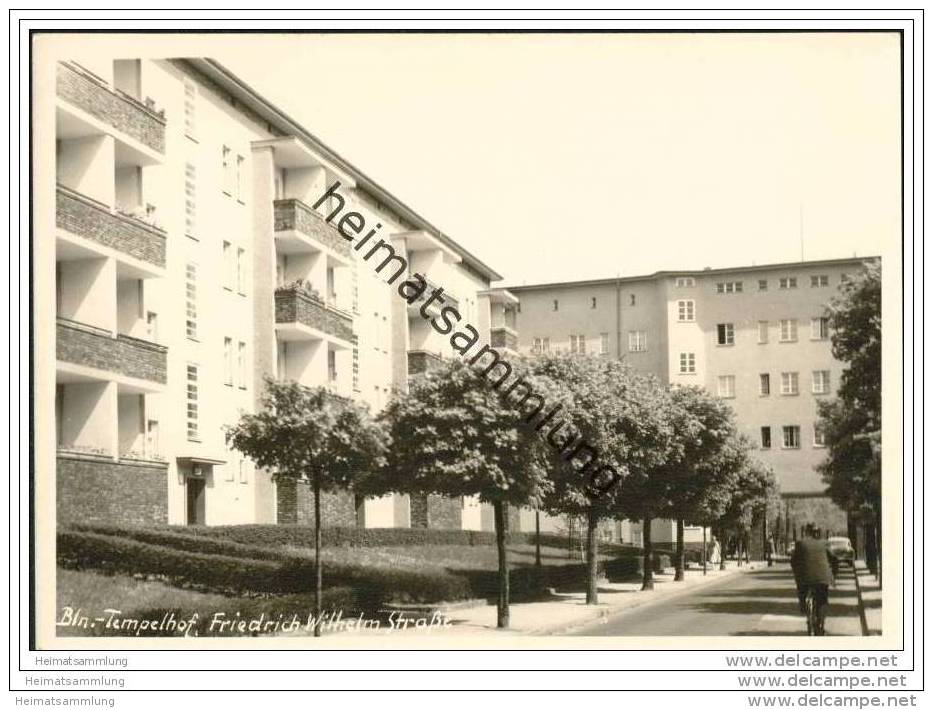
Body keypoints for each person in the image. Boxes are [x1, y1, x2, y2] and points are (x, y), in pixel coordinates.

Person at [790, 537, 834, 633]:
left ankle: (803, 607)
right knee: (822, 600)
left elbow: (793, 561)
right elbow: (833, 559)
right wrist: (833, 573)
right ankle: (821, 624)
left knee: (802, 591)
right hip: (822, 578)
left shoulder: (800, 544)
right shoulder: (825, 543)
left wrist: (797, 572)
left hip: (804, 578)